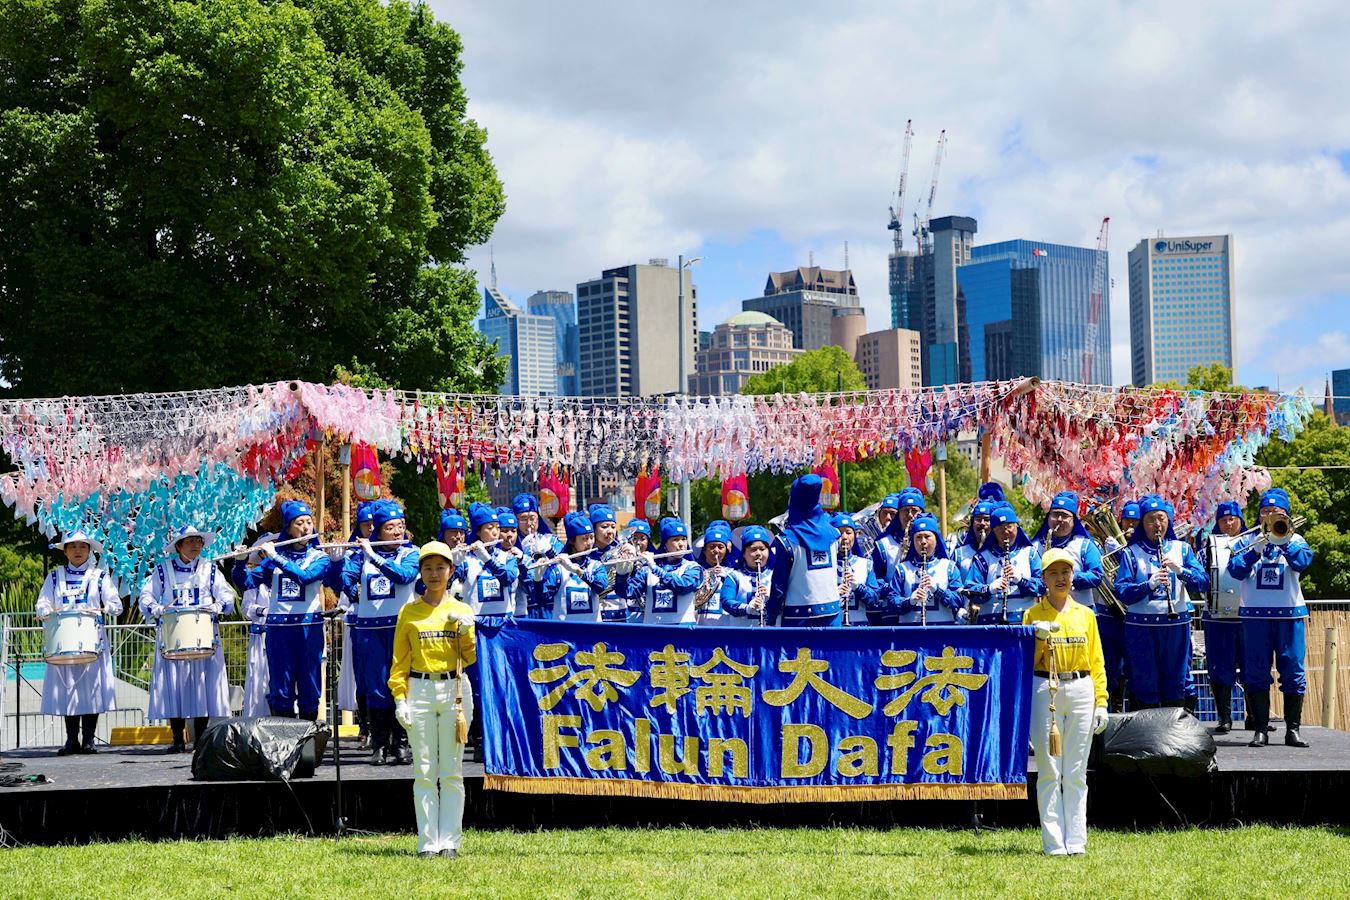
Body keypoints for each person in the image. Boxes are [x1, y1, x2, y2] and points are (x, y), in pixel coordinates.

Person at [389, 541, 477, 859]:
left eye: (441, 567)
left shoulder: (462, 610)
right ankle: (427, 842)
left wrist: (467, 633)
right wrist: (400, 698)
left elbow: (470, 658)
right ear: (421, 572)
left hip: (454, 691)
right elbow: (400, 661)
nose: (434, 573)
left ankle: (450, 841)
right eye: (428, 567)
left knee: (451, 769)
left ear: (451, 571)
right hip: (420, 690)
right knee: (424, 769)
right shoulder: (409, 612)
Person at [1024, 549, 1109, 857]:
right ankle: (1053, 841)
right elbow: (1027, 662)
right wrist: (1036, 638)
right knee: (1048, 769)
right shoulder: (1033, 615)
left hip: (1081, 687)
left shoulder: (1086, 615)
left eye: (1066, 572)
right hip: (1045, 687)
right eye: (1053, 573)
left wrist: (1101, 701)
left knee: (1075, 770)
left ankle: (1076, 839)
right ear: (1044, 578)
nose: (1061, 578)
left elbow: (1097, 661)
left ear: (1073, 576)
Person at [1228, 488, 1314, 747]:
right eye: (1265, 511)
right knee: (1255, 670)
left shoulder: (1296, 538)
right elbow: (1234, 569)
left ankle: (1293, 729)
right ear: (1258, 515)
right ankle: (1261, 728)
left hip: (1289, 615)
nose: (1269, 515)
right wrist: (1258, 548)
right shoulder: (1247, 541)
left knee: (1293, 669)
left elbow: (1302, 563)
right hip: (1255, 615)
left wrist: (1283, 539)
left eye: (1276, 513)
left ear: (1285, 515)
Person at [139, 524, 235, 753]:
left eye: (198, 541)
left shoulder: (210, 570)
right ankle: (177, 738)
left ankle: (201, 739)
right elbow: (146, 596)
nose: (195, 546)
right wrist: (155, 608)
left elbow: (227, 596)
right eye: (190, 541)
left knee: (203, 685)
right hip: (174, 637)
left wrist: (218, 605)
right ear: (178, 546)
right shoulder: (162, 570)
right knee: (175, 687)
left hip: (203, 636)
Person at [234, 500, 334, 720]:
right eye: (299, 523)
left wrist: (275, 557)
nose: (306, 527)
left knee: (309, 685)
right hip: (279, 629)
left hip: (309, 628)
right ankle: (285, 742)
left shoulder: (319, 557)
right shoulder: (273, 559)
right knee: (281, 688)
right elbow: (247, 582)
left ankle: (308, 742)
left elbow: (305, 577)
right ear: (288, 528)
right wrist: (240, 563)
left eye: (309, 522)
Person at [340, 500, 419, 765]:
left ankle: (402, 743)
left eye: (400, 526)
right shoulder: (360, 555)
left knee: (403, 685)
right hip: (370, 630)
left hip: (401, 628)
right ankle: (379, 744)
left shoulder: (410, 553)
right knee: (376, 687)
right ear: (379, 531)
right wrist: (342, 562)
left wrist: (371, 556)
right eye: (390, 528)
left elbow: (404, 577)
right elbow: (344, 580)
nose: (397, 532)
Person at [1113, 496, 1207, 710]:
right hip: (1141, 627)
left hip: (1176, 626)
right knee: (1144, 677)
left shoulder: (1181, 549)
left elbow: (1202, 583)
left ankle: (1173, 732)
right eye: (1150, 520)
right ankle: (1148, 734)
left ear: (1168, 521)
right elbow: (1122, 591)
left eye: (1161, 519)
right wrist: (1148, 585)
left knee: (1176, 678)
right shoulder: (1131, 553)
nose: (1157, 525)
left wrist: (1180, 571)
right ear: (1142, 524)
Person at [36, 530, 124, 755]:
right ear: (65, 551)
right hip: (63, 641)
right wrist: (45, 611)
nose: (77, 551)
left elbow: (115, 603)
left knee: (91, 690)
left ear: (90, 550)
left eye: (82, 547)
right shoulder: (54, 576)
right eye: (72, 547)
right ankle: (71, 740)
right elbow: (43, 603)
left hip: (92, 641)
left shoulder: (100, 576)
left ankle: (89, 740)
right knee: (69, 690)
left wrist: (111, 607)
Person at [1200, 500, 1247, 733]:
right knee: (1220, 666)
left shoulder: (1252, 541)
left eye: (1232, 519)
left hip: (1247, 615)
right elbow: (1200, 576)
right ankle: (1225, 717)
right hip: (1217, 616)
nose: (1228, 524)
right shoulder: (1207, 546)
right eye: (1223, 520)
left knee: (1253, 666)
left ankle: (1256, 717)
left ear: (1240, 520)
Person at [772, 474, 844, 626]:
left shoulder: (786, 540)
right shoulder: (835, 534)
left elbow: (779, 587)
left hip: (797, 619)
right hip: (833, 615)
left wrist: (770, 617)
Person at [1031, 491, 1105, 611]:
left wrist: (1068, 578)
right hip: (1045, 613)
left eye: (1065, 515)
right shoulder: (1035, 546)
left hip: (1081, 612)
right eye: (1055, 514)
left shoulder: (1084, 545)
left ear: (1074, 520)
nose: (1059, 519)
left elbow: (1097, 575)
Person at [970, 505, 1044, 624]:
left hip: (1025, 621)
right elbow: (970, 590)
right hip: (990, 622)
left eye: (1009, 526)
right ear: (993, 531)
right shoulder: (982, 558)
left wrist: (1021, 580)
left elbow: (1043, 586)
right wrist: (989, 589)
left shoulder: (1030, 553)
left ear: (1017, 527)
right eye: (1000, 528)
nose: (1005, 532)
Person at [889, 514, 967, 625]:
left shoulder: (949, 567)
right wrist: (910, 601)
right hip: (909, 632)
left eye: (927, 536)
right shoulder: (902, 569)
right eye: (918, 537)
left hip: (942, 631)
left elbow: (959, 600)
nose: (923, 541)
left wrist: (937, 590)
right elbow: (892, 602)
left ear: (936, 540)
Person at [629, 518, 703, 625]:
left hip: (683, 630)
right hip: (653, 630)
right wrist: (623, 572)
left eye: (684, 539)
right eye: (676, 540)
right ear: (665, 545)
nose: (681, 544)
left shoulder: (693, 567)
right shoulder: (647, 569)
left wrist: (655, 569)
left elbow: (683, 586)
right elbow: (629, 592)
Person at [541, 512, 611, 621]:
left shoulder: (596, 565)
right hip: (565, 633)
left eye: (592, 537)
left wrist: (579, 571)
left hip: (593, 631)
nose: (589, 543)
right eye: (584, 538)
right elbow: (543, 598)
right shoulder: (558, 568)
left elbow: (601, 586)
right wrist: (538, 577)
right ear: (572, 540)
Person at [239, 531, 277, 718]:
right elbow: (246, 608)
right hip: (261, 637)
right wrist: (262, 611)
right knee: (260, 681)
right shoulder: (255, 577)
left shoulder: (285, 573)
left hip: (282, 636)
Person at [723, 525, 776, 627]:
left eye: (762, 549)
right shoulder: (734, 576)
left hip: (770, 634)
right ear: (743, 553)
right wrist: (747, 608)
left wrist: (773, 597)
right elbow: (726, 602)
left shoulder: (776, 575)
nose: (758, 553)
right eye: (753, 549)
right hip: (742, 635)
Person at [832, 512, 879, 626]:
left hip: (859, 628)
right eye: (839, 533)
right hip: (832, 626)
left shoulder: (865, 564)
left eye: (848, 533)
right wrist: (834, 594)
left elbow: (875, 600)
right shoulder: (824, 564)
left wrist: (858, 587)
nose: (844, 538)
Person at [693, 522, 738, 625]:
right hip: (700, 623)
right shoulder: (696, 570)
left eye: (720, 547)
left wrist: (726, 578)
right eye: (712, 547)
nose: (716, 551)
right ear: (704, 551)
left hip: (725, 624)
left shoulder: (733, 574)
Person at [951, 499, 995, 585]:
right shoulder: (959, 553)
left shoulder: (1000, 553)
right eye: (978, 519)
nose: (982, 523)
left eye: (986, 519)